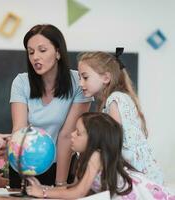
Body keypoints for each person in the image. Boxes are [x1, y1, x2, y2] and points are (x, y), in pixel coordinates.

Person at [10, 24, 92, 187]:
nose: (35, 57)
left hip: (62, 164)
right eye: (31, 52)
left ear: (58, 53)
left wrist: (60, 184)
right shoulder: (21, 82)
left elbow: (67, 135)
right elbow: (19, 130)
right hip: (26, 165)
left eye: (42, 50)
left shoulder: (78, 82)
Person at [26, 112, 175, 199]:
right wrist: (46, 189)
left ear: (94, 139)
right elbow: (76, 188)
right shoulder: (85, 158)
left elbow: (79, 192)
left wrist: (43, 193)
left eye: (78, 133)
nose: (72, 135)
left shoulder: (95, 156)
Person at [77, 48, 164, 184]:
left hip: (139, 174)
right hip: (135, 170)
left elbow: (113, 141)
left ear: (106, 78)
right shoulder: (112, 100)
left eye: (85, 77)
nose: (80, 83)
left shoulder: (115, 100)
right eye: (79, 78)